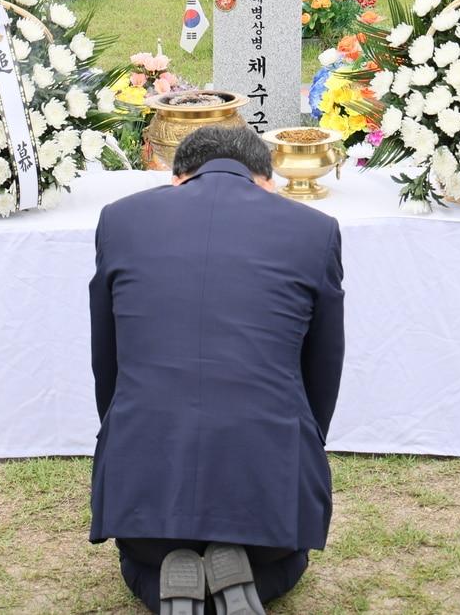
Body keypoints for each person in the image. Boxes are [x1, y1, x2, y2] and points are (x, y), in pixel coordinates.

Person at [88, 125, 345, 615]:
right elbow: (324, 365)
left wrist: (122, 436)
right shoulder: (313, 230)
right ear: (265, 181)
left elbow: (108, 359)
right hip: (265, 491)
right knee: (286, 563)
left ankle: (165, 581)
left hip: (146, 493)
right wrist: (302, 444)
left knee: (140, 563)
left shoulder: (120, 220)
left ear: (177, 177)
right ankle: (246, 577)